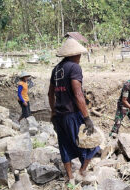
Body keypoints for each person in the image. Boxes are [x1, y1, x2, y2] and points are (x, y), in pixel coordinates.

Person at [48, 38, 100, 185]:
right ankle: (82, 171)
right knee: (90, 143)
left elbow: (50, 94)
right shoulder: (74, 68)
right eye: (79, 55)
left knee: (64, 145)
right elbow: (78, 94)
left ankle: (70, 177)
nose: (80, 57)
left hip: (59, 115)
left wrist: (53, 112)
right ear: (74, 54)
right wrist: (87, 117)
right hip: (72, 114)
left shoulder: (56, 69)